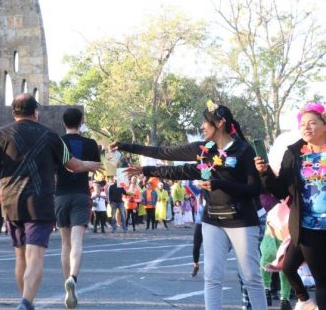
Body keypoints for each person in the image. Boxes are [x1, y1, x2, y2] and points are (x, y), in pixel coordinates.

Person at [116, 101, 267, 310]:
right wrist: (135, 156)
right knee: (212, 277)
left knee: (251, 277)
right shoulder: (203, 150)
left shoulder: (244, 150)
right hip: (212, 220)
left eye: (205, 123)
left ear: (220, 123)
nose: (202, 127)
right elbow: (167, 156)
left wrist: (219, 184)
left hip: (241, 220)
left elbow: (254, 189)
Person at [0, 93, 103, 310]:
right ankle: (26, 302)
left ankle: (26, 302)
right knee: (35, 256)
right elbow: (73, 165)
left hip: (10, 201)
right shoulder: (51, 136)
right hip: (39, 202)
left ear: (13, 112)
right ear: (35, 112)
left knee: (20, 256)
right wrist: (90, 165)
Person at [255, 101, 326, 310]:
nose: (306, 127)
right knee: (295, 270)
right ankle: (305, 301)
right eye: (303, 123)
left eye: (312, 122)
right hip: (308, 226)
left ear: (324, 125)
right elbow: (281, 191)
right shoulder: (294, 154)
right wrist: (265, 172)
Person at [54, 107, 101, 309]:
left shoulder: (57, 142)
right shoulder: (91, 144)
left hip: (61, 194)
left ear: (64, 123)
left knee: (65, 243)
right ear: (81, 122)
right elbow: (99, 169)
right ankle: (73, 277)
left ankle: (67, 284)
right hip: (82, 194)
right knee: (77, 241)